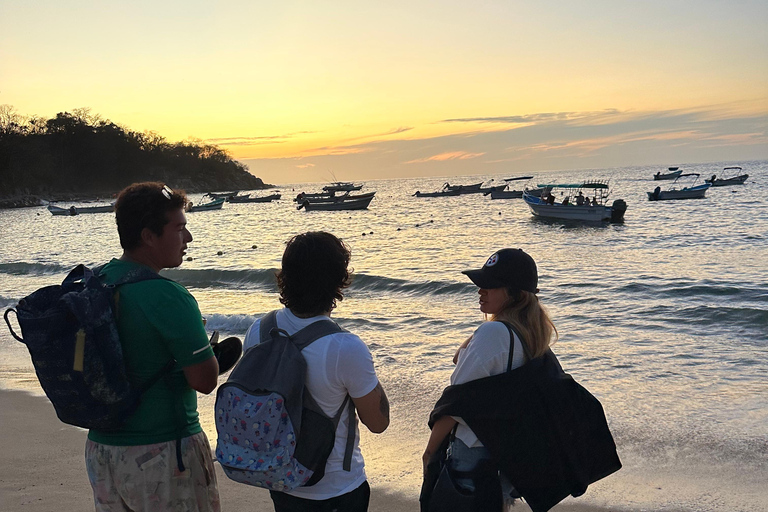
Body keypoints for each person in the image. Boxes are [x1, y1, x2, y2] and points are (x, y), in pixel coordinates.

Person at [85, 182, 221, 512]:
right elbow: (204, 381)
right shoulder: (168, 296)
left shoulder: (95, 281)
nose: (187, 239)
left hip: (102, 450)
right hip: (163, 451)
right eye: (179, 228)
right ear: (149, 236)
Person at [243, 231, 390, 512]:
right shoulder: (345, 347)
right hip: (336, 488)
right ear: (339, 281)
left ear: (284, 276)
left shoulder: (258, 331)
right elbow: (378, 422)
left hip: (280, 478)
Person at [422, 248, 558, 511]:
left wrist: (429, 453)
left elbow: (457, 403)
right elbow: (458, 358)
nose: (480, 290)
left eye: (491, 285)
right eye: (480, 283)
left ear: (515, 294)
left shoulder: (494, 333)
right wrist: (490, 322)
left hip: (472, 457)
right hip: (503, 460)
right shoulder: (528, 335)